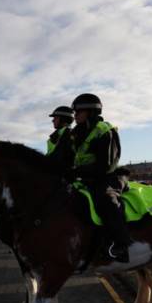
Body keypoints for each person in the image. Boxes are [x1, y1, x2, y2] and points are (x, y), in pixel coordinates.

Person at [70, 93, 129, 262]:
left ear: (89, 112)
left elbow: (107, 165)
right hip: (85, 178)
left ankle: (121, 244)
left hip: (107, 177)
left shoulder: (105, 130)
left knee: (106, 199)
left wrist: (78, 171)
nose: (75, 116)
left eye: (78, 112)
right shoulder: (77, 133)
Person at [46, 106, 75, 174]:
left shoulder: (70, 135)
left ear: (63, 119)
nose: (53, 120)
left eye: (56, 118)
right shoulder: (55, 136)